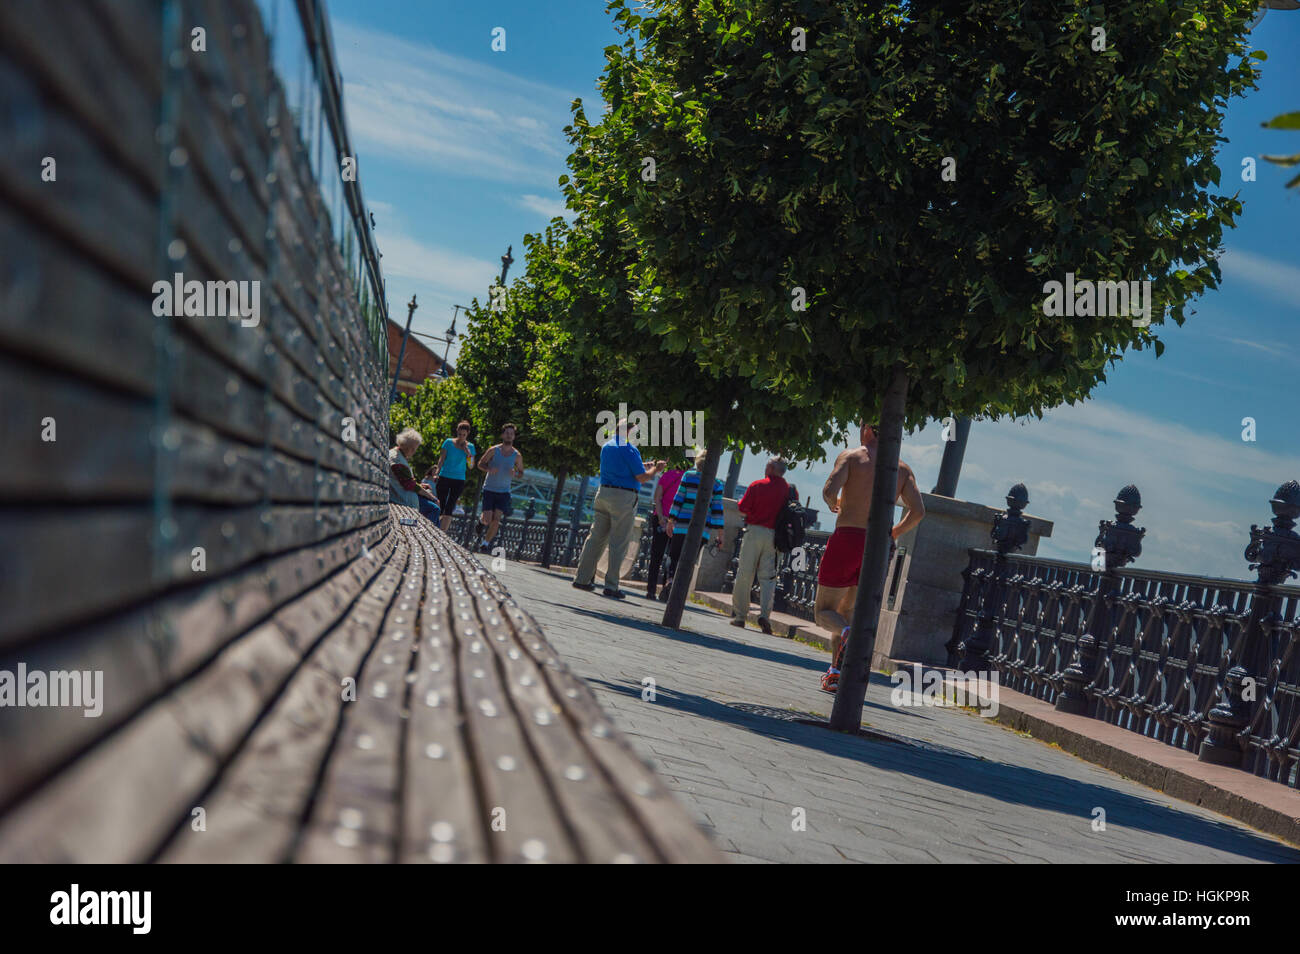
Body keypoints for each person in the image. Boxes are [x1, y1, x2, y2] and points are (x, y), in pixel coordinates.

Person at [816, 422, 925, 693]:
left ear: (866, 429)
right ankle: (836, 673)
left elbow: (829, 491)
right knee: (846, 614)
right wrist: (895, 532)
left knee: (824, 614)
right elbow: (919, 511)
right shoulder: (901, 468)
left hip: (847, 539)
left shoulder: (852, 457)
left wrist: (834, 505)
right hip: (877, 545)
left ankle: (847, 637)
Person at [573, 418, 666, 598]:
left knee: (595, 538)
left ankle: (581, 579)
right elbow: (641, 477)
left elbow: (626, 468)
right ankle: (611, 586)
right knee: (619, 542)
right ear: (630, 432)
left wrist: (644, 465)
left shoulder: (607, 446)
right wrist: (656, 469)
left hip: (604, 493)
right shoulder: (630, 449)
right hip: (623, 498)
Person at [730, 457, 794, 635]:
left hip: (755, 532)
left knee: (745, 574)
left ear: (772, 468)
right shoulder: (789, 490)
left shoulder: (757, 485)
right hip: (776, 537)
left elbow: (742, 508)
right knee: (769, 579)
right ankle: (765, 615)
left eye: (767, 465)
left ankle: (740, 616)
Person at [661, 448, 725, 601]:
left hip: (682, 525)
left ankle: (669, 580)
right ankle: (679, 592)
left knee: (673, 556)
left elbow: (679, 498)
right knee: (690, 560)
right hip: (702, 530)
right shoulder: (717, 484)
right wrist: (721, 535)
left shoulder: (688, 476)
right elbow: (717, 509)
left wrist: (671, 521)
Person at [475, 422, 524, 553]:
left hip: (504, 492)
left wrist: (516, 473)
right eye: (507, 433)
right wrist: (489, 469)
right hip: (489, 489)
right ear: (502, 435)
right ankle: (481, 521)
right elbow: (480, 464)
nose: (509, 436)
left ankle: (485, 544)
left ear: (514, 437)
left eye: (511, 434)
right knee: (487, 519)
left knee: (496, 520)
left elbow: (521, 473)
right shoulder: (493, 450)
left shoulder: (517, 455)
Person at [645, 457, 687, 600]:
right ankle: (666, 588)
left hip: (661, 520)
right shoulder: (689, 478)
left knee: (656, 555)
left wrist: (662, 517)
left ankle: (650, 590)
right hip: (678, 522)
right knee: (673, 556)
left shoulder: (667, 475)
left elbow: (657, 497)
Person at [430, 420, 476, 531]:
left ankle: (443, 532)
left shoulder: (470, 446)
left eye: (464, 435)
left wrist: (468, 454)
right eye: (459, 434)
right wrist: (436, 473)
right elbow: (441, 459)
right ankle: (434, 528)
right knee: (441, 502)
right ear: (457, 431)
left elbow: (471, 466)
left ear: (467, 434)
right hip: (444, 476)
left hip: (459, 479)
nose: (461, 437)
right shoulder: (448, 442)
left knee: (450, 506)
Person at [389, 428, 442, 524]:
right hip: (402, 499)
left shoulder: (396, 454)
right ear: (407, 446)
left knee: (434, 508)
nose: (414, 452)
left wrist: (421, 486)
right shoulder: (397, 460)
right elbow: (409, 485)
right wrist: (432, 498)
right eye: (413, 449)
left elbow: (405, 481)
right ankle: (427, 532)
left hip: (403, 495)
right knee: (434, 509)